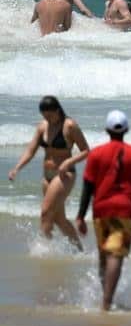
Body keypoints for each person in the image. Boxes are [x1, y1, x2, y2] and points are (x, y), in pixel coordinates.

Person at [76, 110, 131, 311]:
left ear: (107, 130)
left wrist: (80, 216)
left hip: (100, 209)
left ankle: (106, 296)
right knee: (115, 255)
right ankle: (107, 302)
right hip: (125, 210)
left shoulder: (96, 153)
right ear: (126, 130)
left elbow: (87, 186)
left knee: (104, 254)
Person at [7, 96, 89, 250]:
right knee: (59, 219)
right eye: (44, 116)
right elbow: (30, 151)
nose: (48, 119)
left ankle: (44, 250)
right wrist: (17, 168)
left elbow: (86, 151)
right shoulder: (42, 127)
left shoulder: (70, 126)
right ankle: (78, 250)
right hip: (47, 176)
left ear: (58, 110)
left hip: (64, 175)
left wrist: (68, 162)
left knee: (45, 213)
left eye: (50, 115)